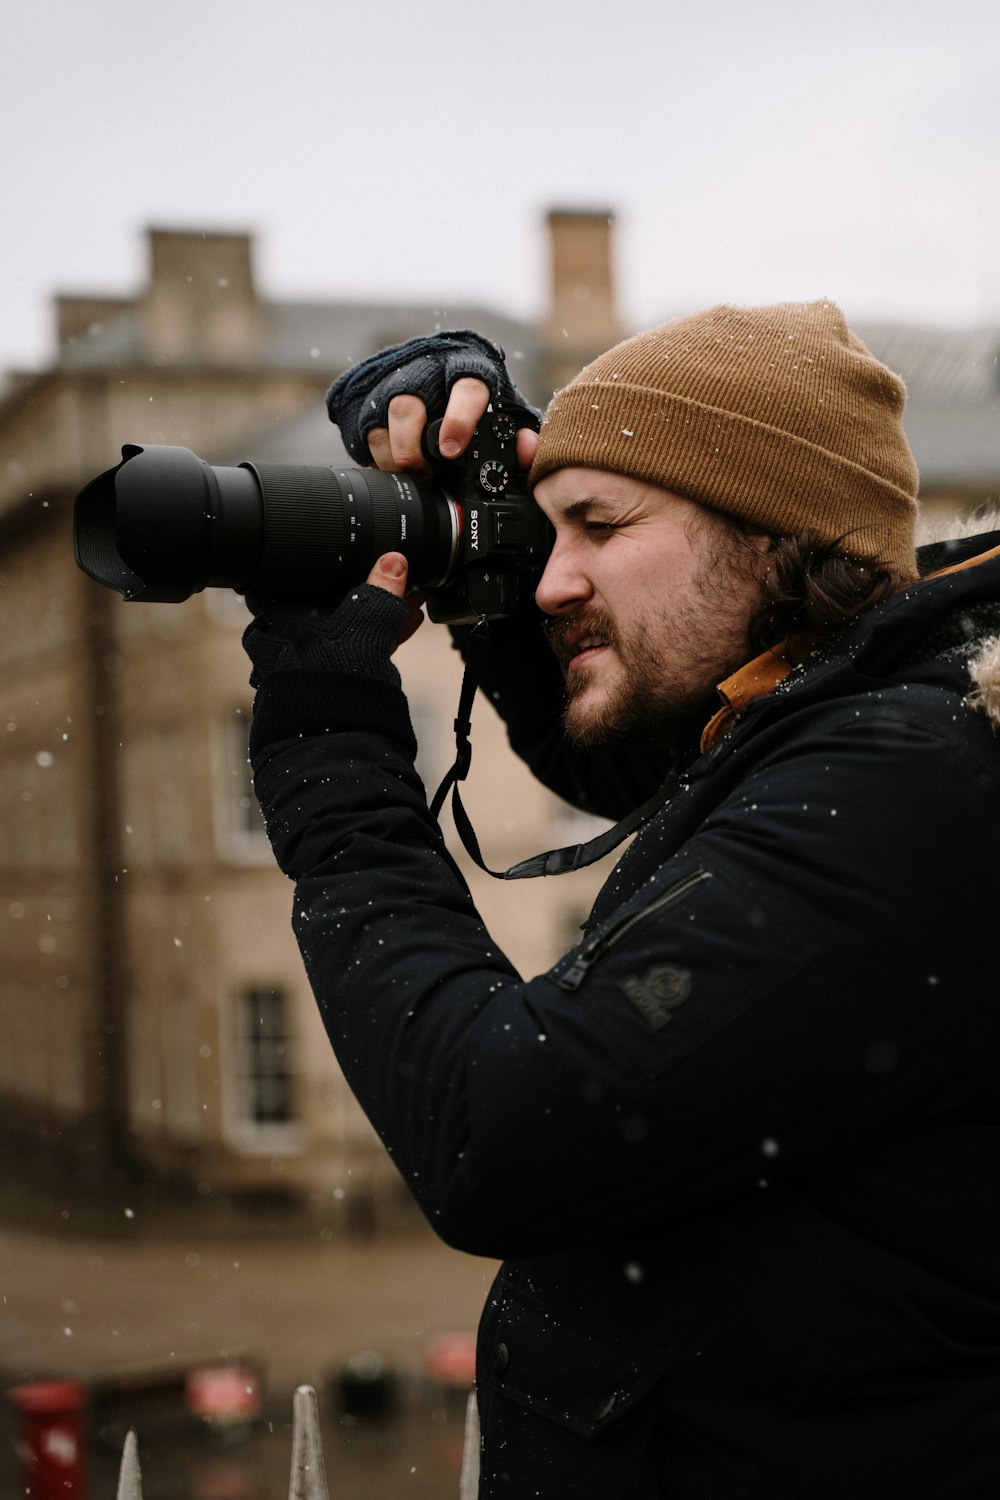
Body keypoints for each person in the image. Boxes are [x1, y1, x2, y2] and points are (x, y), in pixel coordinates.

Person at [242, 302, 1000, 1498]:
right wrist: (486, 512)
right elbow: (609, 752)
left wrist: (329, 759)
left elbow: (495, 1132)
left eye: (599, 524)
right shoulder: (845, 701)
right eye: (545, 536)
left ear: (772, 532)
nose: (551, 584)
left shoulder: (911, 792)